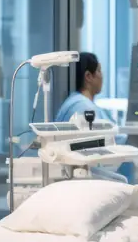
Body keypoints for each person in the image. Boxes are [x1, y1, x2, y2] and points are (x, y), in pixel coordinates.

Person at [56, 51, 133, 181]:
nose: (102, 76)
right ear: (88, 76)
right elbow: (101, 149)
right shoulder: (83, 108)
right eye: (99, 71)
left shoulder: (73, 102)